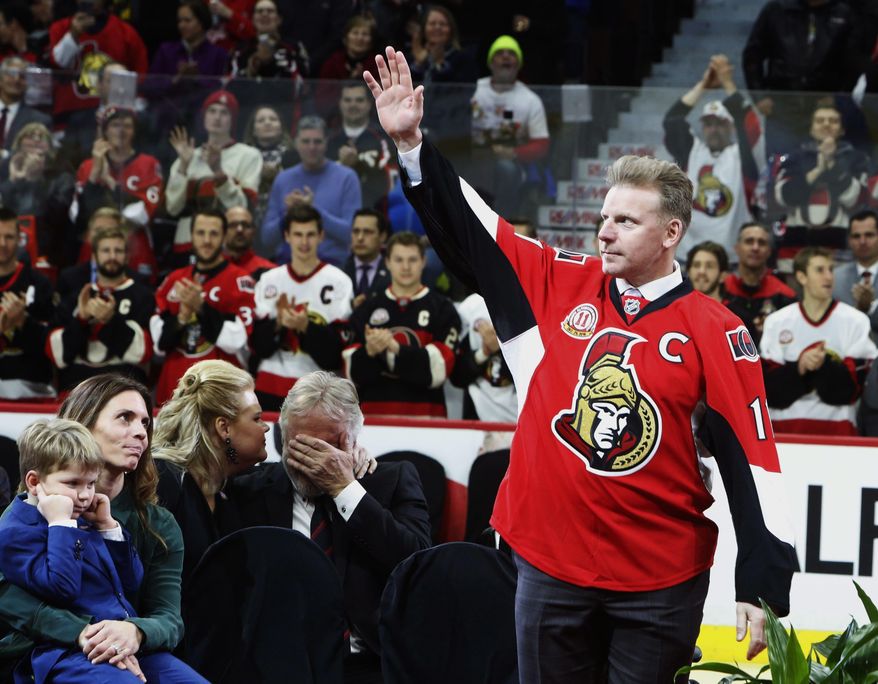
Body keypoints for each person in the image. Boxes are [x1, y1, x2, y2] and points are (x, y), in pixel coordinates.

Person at [364, 47, 797, 681]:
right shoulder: (559, 282)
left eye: (626, 220)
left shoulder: (716, 329)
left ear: (671, 233)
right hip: (547, 564)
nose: (605, 232)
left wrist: (761, 581)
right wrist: (411, 147)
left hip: (658, 578)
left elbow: (751, 461)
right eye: (603, 218)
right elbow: (478, 230)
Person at [232, 370, 431, 683]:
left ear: (350, 439)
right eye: (298, 446)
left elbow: (417, 566)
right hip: (278, 664)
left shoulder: (391, 481)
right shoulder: (250, 491)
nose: (311, 461)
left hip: (368, 664)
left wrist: (345, 488)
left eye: (323, 447)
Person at [0, 375, 192, 680]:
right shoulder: (26, 512)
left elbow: (169, 618)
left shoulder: (158, 523)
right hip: (51, 651)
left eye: (145, 422)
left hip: (135, 650)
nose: (141, 432)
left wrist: (135, 632)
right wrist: (87, 634)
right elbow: (10, 600)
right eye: (125, 418)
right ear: (82, 424)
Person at [152, 359, 269, 585]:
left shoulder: (228, 485)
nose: (265, 427)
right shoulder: (163, 478)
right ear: (223, 427)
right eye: (256, 418)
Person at [761, 246, 878, 435]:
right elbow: (770, 392)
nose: (829, 277)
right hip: (784, 431)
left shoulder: (856, 321)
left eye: (831, 270)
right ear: (801, 277)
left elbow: (849, 392)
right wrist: (800, 367)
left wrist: (823, 365)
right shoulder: (776, 322)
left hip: (838, 431)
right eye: (819, 270)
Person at [343, 231, 460, 418]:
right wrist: (369, 352)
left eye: (412, 260)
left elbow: (437, 371)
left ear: (423, 261)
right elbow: (351, 375)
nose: (406, 267)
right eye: (398, 260)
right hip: (373, 421)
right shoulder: (367, 308)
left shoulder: (443, 309)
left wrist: (394, 349)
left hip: (429, 423)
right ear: (387, 262)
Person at [150, 208, 256, 407]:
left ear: (224, 236)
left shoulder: (240, 281)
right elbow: (160, 345)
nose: (207, 240)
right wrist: (182, 316)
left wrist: (200, 307)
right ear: (191, 236)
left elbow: (235, 341)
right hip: (173, 394)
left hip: (221, 396)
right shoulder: (173, 280)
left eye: (214, 233)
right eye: (200, 233)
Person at [252, 205, 353, 411]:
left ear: (321, 236)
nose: (304, 242)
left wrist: (306, 327)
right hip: (270, 387)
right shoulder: (269, 280)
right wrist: (278, 324)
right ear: (287, 236)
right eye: (298, 234)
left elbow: (335, 355)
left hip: (320, 393)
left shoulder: (339, 281)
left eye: (310, 235)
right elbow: (257, 347)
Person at [663, 54, 759, 261]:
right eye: (708, 124)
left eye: (720, 123)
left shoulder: (740, 156)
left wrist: (727, 81)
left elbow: (751, 124)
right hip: (688, 258)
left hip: (730, 259)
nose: (714, 129)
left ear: (731, 127)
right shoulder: (693, 152)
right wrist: (703, 84)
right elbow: (672, 121)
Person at [47, 224, 155, 393]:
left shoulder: (143, 296)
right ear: (94, 256)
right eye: (105, 251)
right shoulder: (77, 296)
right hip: (76, 391)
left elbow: (142, 353)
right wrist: (81, 319)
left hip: (123, 389)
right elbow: (57, 355)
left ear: (127, 257)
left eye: (118, 251)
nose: (112, 256)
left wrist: (110, 320)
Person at [165, 88, 262, 265]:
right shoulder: (188, 156)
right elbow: (172, 208)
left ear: (232, 120)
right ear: (204, 117)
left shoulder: (248, 155)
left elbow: (245, 207)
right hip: (187, 243)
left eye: (224, 113)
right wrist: (184, 166)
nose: (217, 117)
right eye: (212, 111)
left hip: (227, 245)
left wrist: (218, 172)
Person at [71, 106, 163, 284]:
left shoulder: (148, 164)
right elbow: (77, 216)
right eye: (115, 125)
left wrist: (110, 182)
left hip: (135, 249)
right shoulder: (88, 166)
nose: (121, 131)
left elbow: (141, 215)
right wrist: (93, 177)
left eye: (127, 126)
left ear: (134, 131)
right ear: (104, 131)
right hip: (92, 250)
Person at [773, 103, 869, 267]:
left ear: (842, 130)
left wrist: (831, 164)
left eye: (833, 121)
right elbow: (784, 197)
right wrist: (817, 171)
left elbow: (854, 199)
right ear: (811, 129)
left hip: (839, 249)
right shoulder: (793, 159)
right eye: (820, 121)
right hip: (795, 251)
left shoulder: (856, 159)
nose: (826, 124)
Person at [261, 115, 362, 266]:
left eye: (317, 142)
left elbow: (352, 234)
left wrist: (313, 210)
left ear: (326, 143)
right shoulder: (282, 179)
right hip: (288, 265)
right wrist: (287, 213)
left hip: (333, 265)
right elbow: (267, 238)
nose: (312, 147)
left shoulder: (347, 177)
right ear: (296, 143)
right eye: (306, 141)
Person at [470, 34, 549, 217]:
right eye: (499, 53)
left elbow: (542, 145)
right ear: (490, 62)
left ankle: (502, 223)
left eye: (511, 54)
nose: (505, 56)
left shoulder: (530, 99)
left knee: (506, 169)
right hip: (472, 160)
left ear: (519, 63)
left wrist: (514, 152)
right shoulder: (474, 90)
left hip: (511, 166)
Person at [47, 0, 148, 121]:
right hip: (67, 118)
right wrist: (73, 35)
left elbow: (141, 79)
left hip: (113, 120)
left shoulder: (126, 33)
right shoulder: (60, 28)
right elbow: (58, 64)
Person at [0, 122, 75, 268]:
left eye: (40, 139)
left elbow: (54, 216)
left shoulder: (62, 177)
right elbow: (4, 214)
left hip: (49, 253)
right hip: (9, 251)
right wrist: (15, 181)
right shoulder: (6, 173)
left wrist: (34, 180)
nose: (35, 141)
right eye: (29, 138)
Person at [0, 206, 55, 401]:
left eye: (9, 237)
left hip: (30, 387)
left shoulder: (39, 283)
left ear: (20, 239)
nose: (2, 243)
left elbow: (52, 346)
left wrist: (23, 321)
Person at [723, 221, 797, 344]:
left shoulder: (785, 295)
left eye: (761, 243)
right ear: (737, 248)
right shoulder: (721, 290)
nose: (755, 247)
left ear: (769, 251)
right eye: (749, 241)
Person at [327, 83, 393, 213]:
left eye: (359, 100)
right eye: (347, 100)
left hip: (376, 211)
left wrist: (356, 164)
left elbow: (390, 178)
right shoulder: (328, 141)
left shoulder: (384, 137)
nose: (353, 105)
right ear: (340, 104)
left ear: (369, 104)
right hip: (335, 211)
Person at [228, 0, 308, 86]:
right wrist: (253, 66)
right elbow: (230, 84)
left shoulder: (293, 48)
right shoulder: (240, 50)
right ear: (253, 19)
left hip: (283, 98)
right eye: (259, 11)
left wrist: (269, 62)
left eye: (270, 11)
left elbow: (302, 82)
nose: (264, 14)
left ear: (279, 19)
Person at [241, 105, 294, 227]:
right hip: (249, 220)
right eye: (261, 120)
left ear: (281, 127)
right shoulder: (244, 156)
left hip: (283, 220)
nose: (267, 123)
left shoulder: (293, 156)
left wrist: (277, 176)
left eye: (273, 119)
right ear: (253, 130)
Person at [832, 209, 878, 335]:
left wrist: (869, 308)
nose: (862, 241)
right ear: (849, 241)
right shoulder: (834, 278)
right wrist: (859, 310)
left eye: (869, 235)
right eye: (856, 236)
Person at [407, 5, 475, 85]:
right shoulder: (412, 56)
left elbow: (462, 90)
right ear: (424, 29)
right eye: (432, 24)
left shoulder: (463, 58)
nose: (437, 27)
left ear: (451, 30)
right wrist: (418, 64)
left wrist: (440, 64)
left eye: (443, 24)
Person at [0, 56, 51, 159]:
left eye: (23, 76)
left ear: (28, 84)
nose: (17, 79)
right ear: (0, 79)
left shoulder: (39, 121)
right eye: (12, 73)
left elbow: (38, 158)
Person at [342, 208, 391, 309]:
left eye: (367, 232)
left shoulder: (393, 272)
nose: (360, 238)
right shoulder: (339, 271)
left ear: (383, 236)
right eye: (356, 231)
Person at [224, 205, 276, 279]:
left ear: (253, 231)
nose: (240, 229)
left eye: (245, 225)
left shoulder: (270, 272)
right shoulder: (210, 270)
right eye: (233, 225)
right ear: (222, 231)